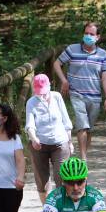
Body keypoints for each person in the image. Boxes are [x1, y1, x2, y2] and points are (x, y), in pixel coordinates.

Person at [52, 21, 106, 161]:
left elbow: (105, 76)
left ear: (98, 37)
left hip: (95, 96)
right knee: (82, 126)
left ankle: (84, 154)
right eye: (86, 33)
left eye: (91, 34)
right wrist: (64, 80)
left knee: (89, 129)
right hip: (76, 94)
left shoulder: (102, 54)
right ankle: (83, 159)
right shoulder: (72, 49)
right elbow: (57, 63)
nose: (88, 36)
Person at [25, 73, 73, 204]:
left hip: (60, 143)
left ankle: (63, 209)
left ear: (49, 86)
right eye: (39, 92)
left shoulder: (57, 97)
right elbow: (29, 125)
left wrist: (70, 142)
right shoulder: (31, 102)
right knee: (42, 180)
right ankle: (48, 211)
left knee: (62, 177)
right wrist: (34, 139)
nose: (42, 95)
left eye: (44, 92)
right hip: (39, 145)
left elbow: (66, 121)